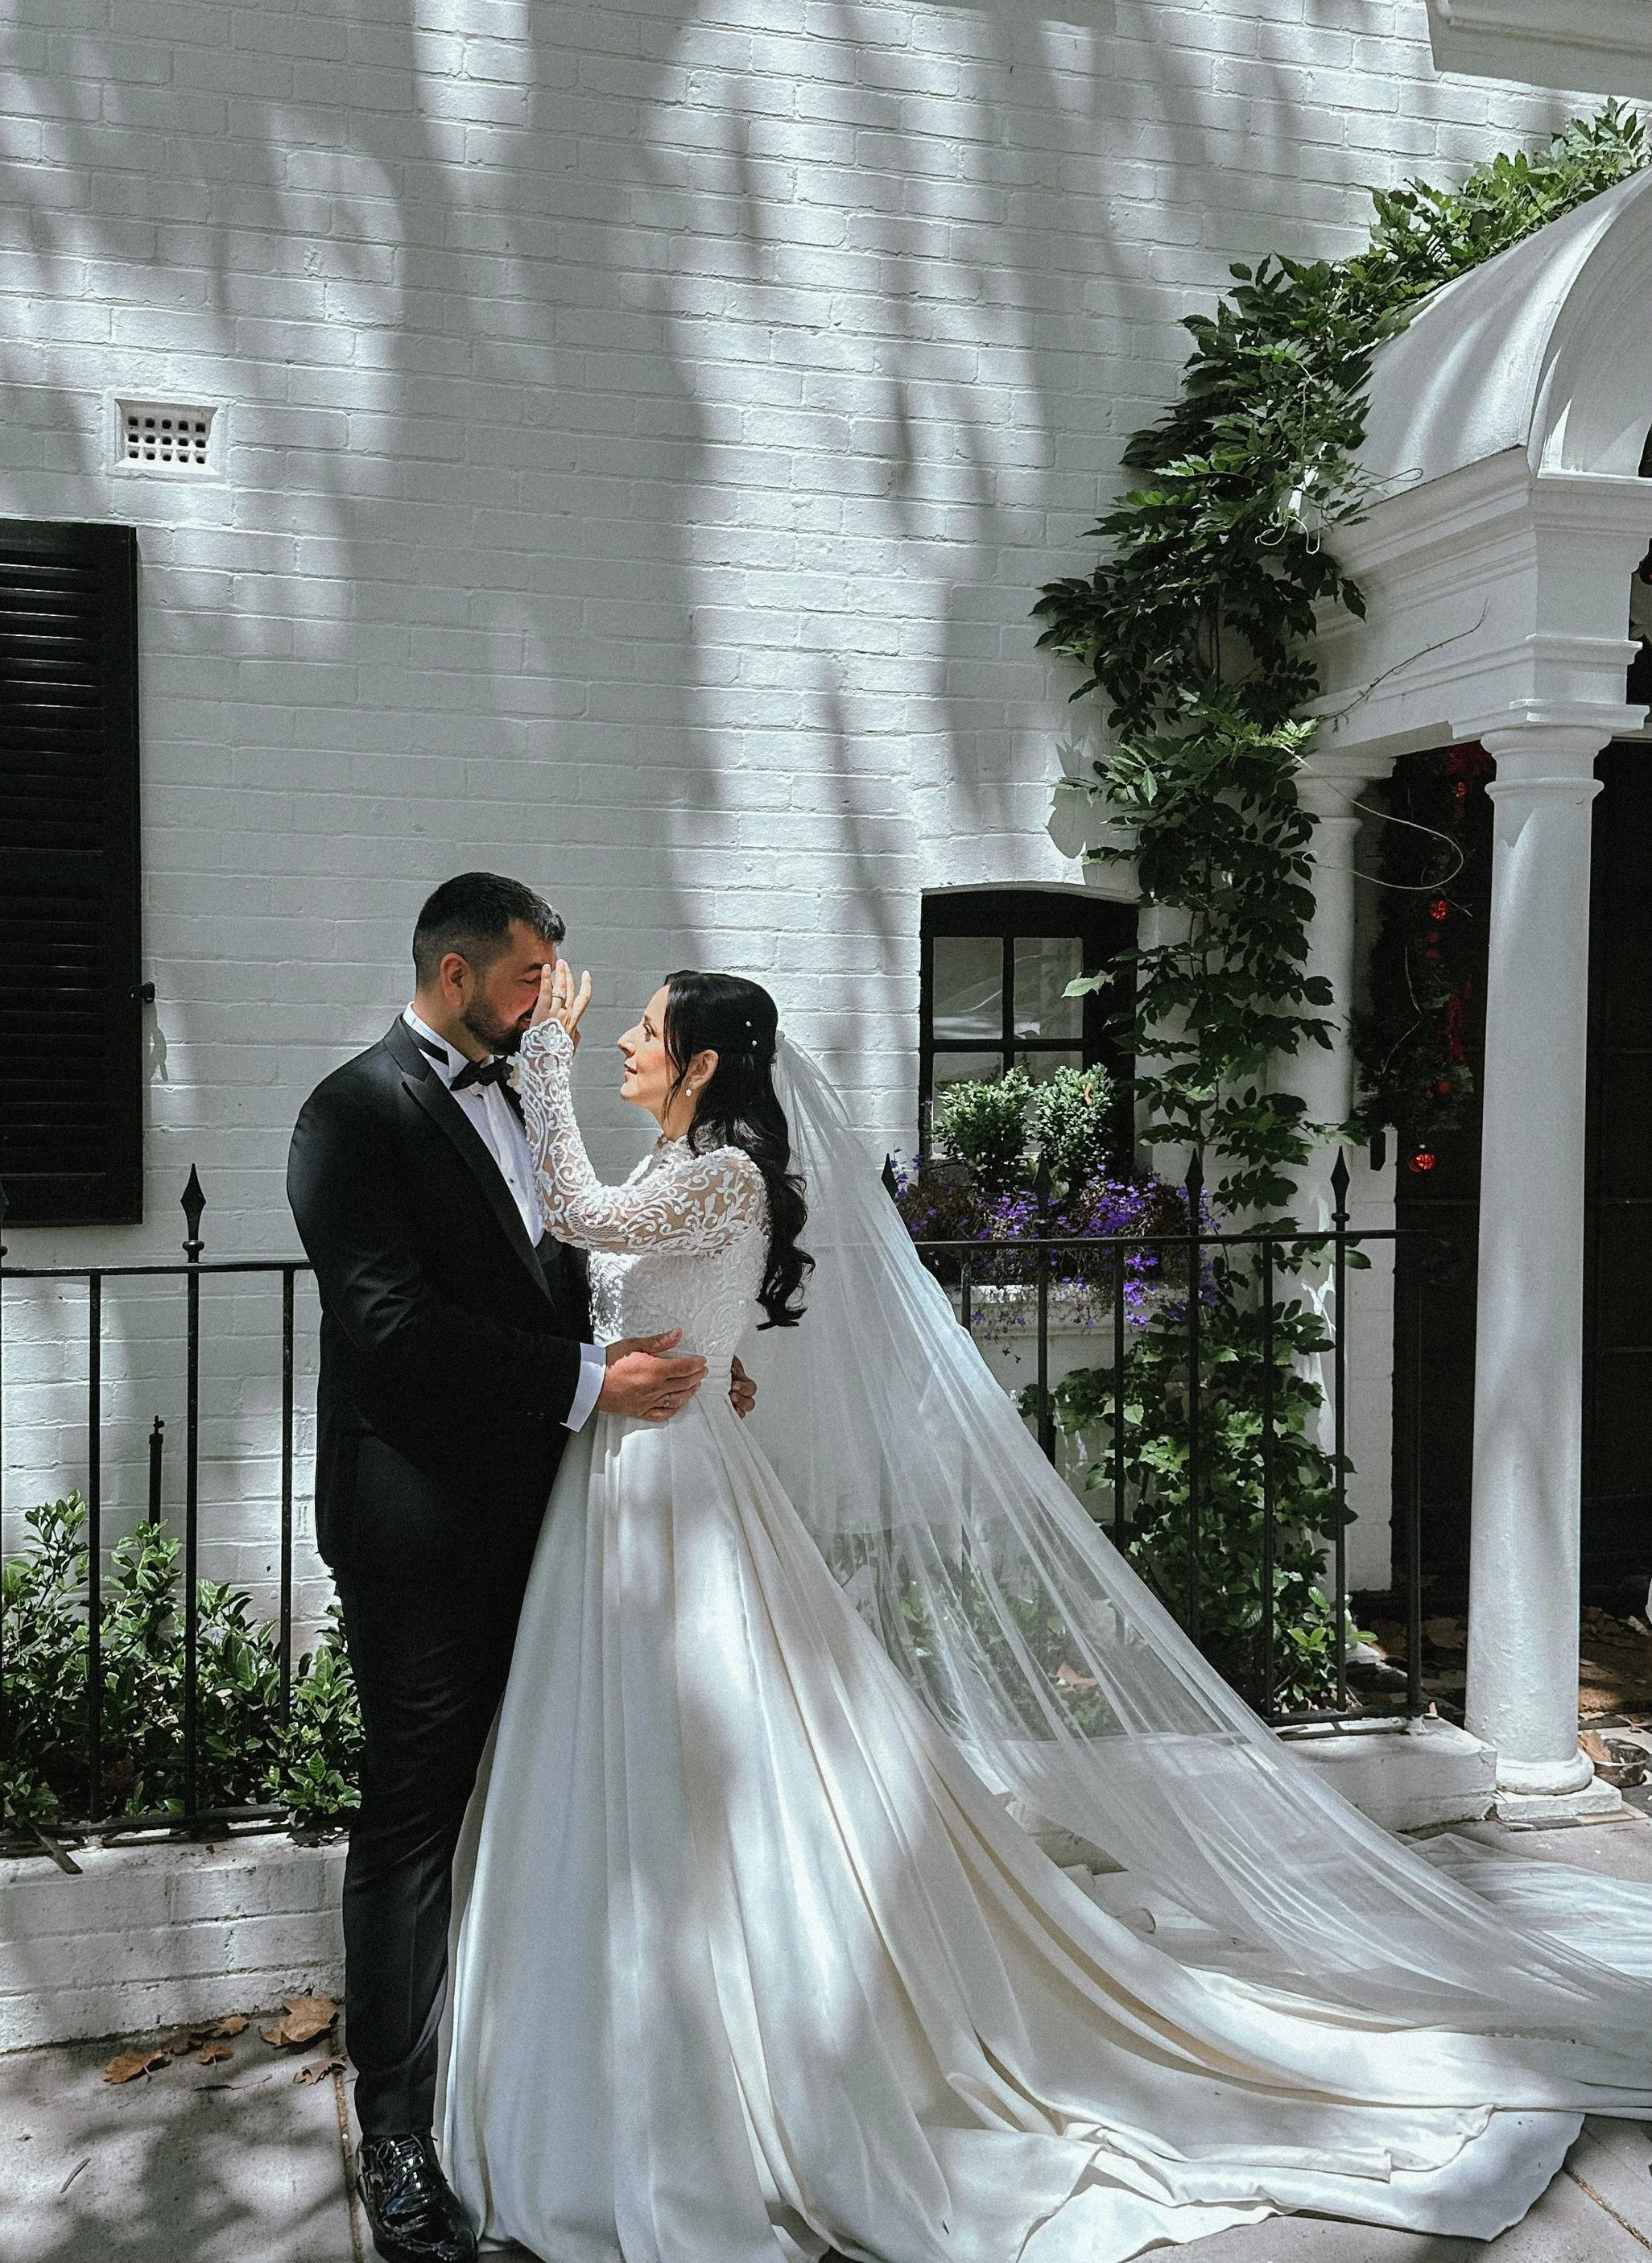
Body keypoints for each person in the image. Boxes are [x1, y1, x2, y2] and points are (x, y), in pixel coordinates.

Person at [440, 960, 1652, 2263]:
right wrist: (714, 1358)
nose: (620, 1036)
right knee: (641, 1752)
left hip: (672, 1489)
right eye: (615, 1025)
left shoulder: (723, 1172)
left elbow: (574, 1213)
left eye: (644, 1028)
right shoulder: (695, 1170)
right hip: (639, 1478)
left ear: (703, 1064)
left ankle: (746, 2048)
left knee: (712, 1750)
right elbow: (668, 1290)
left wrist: (546, 1055)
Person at [289, 874, 739, 2263]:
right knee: (415, 1819)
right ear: (453, 970)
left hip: (560, 1521)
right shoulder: (347, 1116)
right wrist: (589, 1379)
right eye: (532, 973)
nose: (554, 993)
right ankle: (400, 2131)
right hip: (420, 1529)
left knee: (552, 1798)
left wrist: (685, 1357)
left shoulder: (524, 1103)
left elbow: (589, 1264)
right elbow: (390, 1324)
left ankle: (535, 2087)